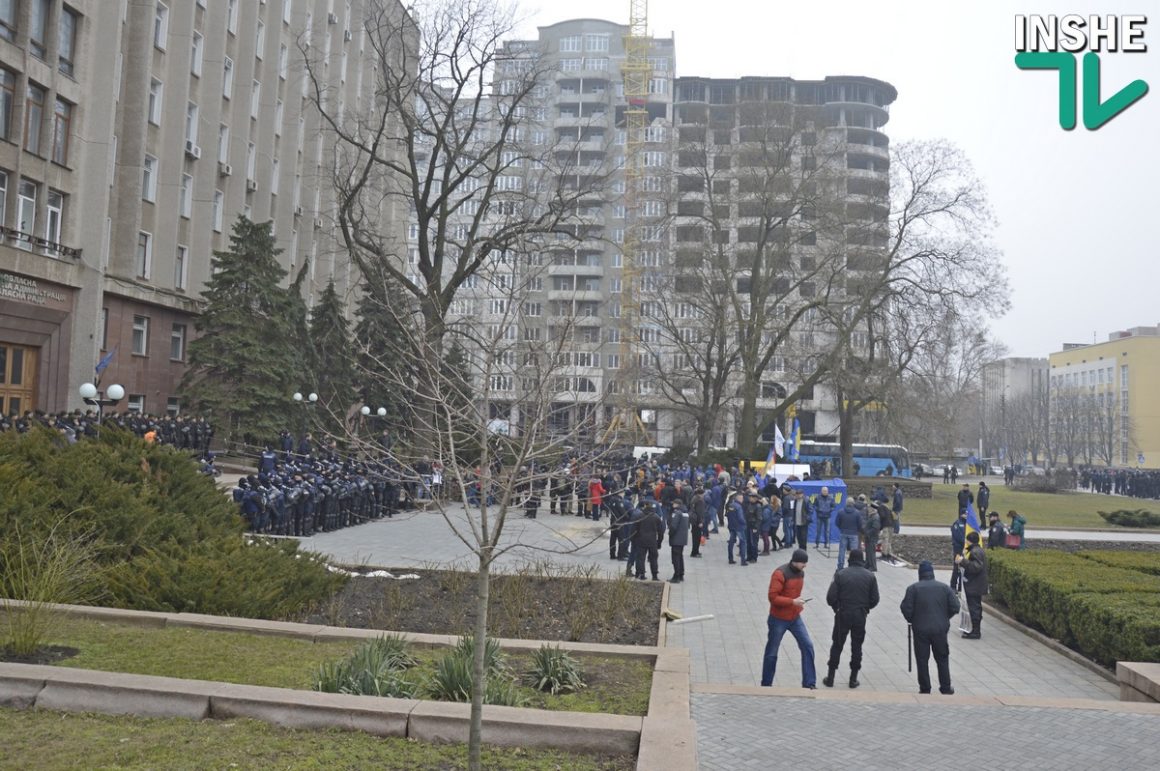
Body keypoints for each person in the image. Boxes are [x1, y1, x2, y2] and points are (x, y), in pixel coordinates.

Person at [900, 560, 960, 695]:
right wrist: (944, 618)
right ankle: (945, 687)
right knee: (942, 658)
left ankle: (925, 688)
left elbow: (906, 608)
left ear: (920, 574)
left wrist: (913, 620)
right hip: (940, 629)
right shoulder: (945, 588)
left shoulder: (913, 589)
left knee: (922, 659)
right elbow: (955, 607)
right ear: (932, 573)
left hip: (920, 629)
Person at [760, 549, 817, 689]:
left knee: (807, 646)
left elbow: (794, 594)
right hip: (778, 618)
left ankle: (809, 683)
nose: (805, 566)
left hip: (795, 616)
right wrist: (792, 602)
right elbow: (772, 597)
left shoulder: (801, 573)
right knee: (772, 652)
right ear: (795, 562)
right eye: (803, 563)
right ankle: (766, 684)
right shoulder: (780, 573)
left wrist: (797, 602)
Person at [823, 549, 879, 689]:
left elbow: (830, 598)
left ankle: (830, 677)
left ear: (850, 559)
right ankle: (853, 679)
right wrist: (865, 609)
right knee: (857, 646)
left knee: (837, 644)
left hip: (843, 613)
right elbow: (875, 599)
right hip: (860, 614)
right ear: (862, 560)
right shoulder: (870, 576)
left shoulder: (840, 574)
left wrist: (837, 607)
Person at [956, 531, 988, 639]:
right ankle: (974, 629)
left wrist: (963, 561)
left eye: (966, 539)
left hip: (974, 585)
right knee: (975, 607)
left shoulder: (976, 552)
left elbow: (976, 567)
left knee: (974, 607)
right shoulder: (975, 550)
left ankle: (975, 631)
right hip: (975, 584)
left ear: (969, 540)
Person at [634, 502, 663, 580]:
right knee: (653, 558)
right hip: (652, 541)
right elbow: (661, 531)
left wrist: (634, 540)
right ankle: (654, 575)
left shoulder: (639, 516)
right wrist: (659, 542)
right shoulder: (656, 517)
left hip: (641, 540)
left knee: (641, 558)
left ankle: (641, 574)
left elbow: (634, 529)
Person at [836, 495, 863, 570]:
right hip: (854, 534)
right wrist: (856, 530)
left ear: (846, 503)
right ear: (853, 503)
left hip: (843, 532)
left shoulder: (841, 511)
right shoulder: (857, 513)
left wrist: (841, 528)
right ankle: (852, 565)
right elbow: (860, 524)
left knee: (842, 550)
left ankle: (840, 565)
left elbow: (837, 522)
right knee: (853, 551)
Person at [668, 500, 690, 583]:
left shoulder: (677, 513)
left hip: (676, 539)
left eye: (673, 503)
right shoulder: (685, 512)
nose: (672, 505)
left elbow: (673, 526)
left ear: (677, 504)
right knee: (680, 557)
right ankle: (681, 574)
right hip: (682, 539)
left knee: (675, 558)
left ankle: (676, 576)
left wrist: (670, 534)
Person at [726, 491, 749, 566]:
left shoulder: (731, 505)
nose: (742, 499)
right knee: (743, 542)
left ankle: (730, 559)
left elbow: (728, 515)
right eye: (742, 498)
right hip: (739, 527)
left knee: (731, 542)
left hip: (732, 526)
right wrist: (745, 523)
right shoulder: (739, 507)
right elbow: (740, 518)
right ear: (739, 498)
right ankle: (743, 561)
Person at [861, 498, 881, 572]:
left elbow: (875, 528)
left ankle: (873, 566)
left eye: (870, 508)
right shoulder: (872, 516)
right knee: (868, 551)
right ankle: (867, 564)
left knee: (871, 552)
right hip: (869, 537)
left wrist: (868, 533)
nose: (868, 509)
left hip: (872, 537)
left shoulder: (876, 517)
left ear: (873, 509)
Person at [949, 509, 967, 591]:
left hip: (966, 549)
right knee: (957, 568)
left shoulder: (968, 524)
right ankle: (953, 586)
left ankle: (960, 587)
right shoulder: (957, 524)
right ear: (962, 514)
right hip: (958, 549)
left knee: (964, 568)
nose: (967, 515)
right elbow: (959, 537)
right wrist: (966, 542)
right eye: (965, 514)